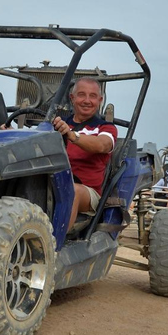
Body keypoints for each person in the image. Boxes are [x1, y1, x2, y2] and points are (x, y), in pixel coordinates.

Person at [51, 77, 117, 232]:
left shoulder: (106, 128)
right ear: (72, 98)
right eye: (81, 95)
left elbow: (102, 145)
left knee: (72, 190)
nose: (87, 100)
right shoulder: (58, 124)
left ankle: (54, 245)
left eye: (93, 96)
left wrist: (72, 135)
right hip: (52, 183)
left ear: (100, 100)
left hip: (86, 192)